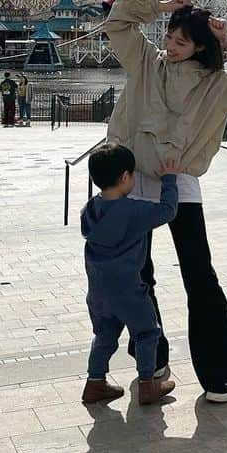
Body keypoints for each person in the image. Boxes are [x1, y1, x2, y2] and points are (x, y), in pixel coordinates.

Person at [103, 0, 227, 403]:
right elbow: (118, 23)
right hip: (131, 181)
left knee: (199, 276)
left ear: (200, 46)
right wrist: (156, 7)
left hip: (179, 184)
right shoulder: (145, 63)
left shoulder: (218, 85)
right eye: (169, 37)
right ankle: (152, 364)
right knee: (138, 276)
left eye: (181, 42)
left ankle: (220, 374)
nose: (170, 47)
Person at [81, 144, 178, 406]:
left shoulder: (89, 210)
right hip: (129, 291)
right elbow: (168, 211)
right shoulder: (134, 211)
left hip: (98, 291)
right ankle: (148, 385)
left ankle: (94, 383)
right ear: (125, 177)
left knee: (104, 336)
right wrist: (169, 178)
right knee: (147, 332)